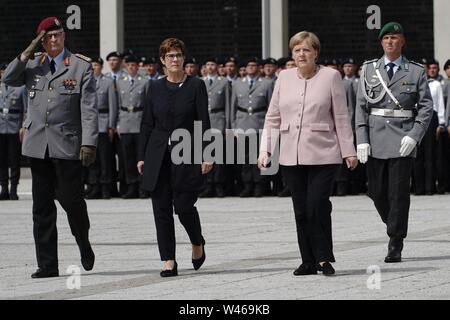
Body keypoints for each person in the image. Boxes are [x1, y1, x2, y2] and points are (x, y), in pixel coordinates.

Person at [2, 17, 98, 278]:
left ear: (64, 36)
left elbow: (88, 109)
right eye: (48, 37)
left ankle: (83, 241)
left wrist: (89, 143)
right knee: (42, 207)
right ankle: (47, 264)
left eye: (57, 35)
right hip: (38, 145)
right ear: (40, 42)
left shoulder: (80, 67)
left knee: (71, 200)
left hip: (67, 144)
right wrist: (25, 53)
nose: (53, 40)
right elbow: (9, 79)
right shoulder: (33, 65)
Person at [258, 31, 357, 276]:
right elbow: (272, 117)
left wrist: (349, 151)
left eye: (306, 50)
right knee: (301, 209)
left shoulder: (331, 76)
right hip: (291, 155)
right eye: (297, 50)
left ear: (316, 53)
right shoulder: (283, 77)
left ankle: (323, 257)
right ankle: (308, 260)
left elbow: (341, 117)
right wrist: (266, 149)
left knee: (317, 205)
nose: (301, 54)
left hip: (324, 153)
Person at [355, 22, 433, 263]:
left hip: (402, 138)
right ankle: (394, 223)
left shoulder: (415, 71)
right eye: (386, 38)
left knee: (399, 194)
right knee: (377, 192)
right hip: (376, 139)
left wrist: (415, 135)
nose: (390, 41)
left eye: (395, 38)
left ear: (403, 41)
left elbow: (426, 107)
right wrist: (361, 139)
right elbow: (360, 107)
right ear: (381, 42)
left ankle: (395, 240)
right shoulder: (368, 69)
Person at [137, 38, 212, 277]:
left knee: (183, 206)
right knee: (161, 209)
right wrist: (141, 156)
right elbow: (147, 123)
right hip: (157, 155)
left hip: (187, 153)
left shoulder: (196, 86)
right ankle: (168, 260)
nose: (175, 60)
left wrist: (207, 153)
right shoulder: (154, 87)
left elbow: (203, 121)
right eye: (170, 56)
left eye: (178, 55)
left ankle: (197, 241)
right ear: (162, 60)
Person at [230, 57, 274, 197]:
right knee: (244, 158)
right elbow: (233, 106)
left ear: (258, 68)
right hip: (242, 124)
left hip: (259, 122)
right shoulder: (237, 84)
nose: (250, 68)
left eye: (254, 65)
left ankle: (259, 185)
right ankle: (247, 185)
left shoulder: (266, 83)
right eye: (248, 65)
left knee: (258, 157)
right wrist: (233, 126)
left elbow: (271, 107)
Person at [85, 57, 118, 199]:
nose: (94, 68)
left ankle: (105, 187)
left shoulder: (107, 82)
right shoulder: (85, 81)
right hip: (89, 125)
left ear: (101, 67)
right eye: (92, 66)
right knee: (92, 159)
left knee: (105, 158)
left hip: (103, 123)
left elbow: (113, 105)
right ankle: (94, 186)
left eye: (96, 65)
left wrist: (111, 125)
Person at [117, 55, 149, 199]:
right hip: (125, 122)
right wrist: (117, 123)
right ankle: (131, 186)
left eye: (133, 65)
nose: (131, 67)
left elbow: (148, 105)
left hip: (140, 120)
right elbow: (117, 104)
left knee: (140, 156)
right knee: (127, 157)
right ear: (126, 67)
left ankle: (143, 186)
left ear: (137, 67)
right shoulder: (120, 82)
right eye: (129, 65)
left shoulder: (144, 82)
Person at [199, 57, 230, 198]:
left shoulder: (223, 82)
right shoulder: (199, 82)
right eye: (208, 64)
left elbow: (228, 105)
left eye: (213, 65)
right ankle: (207, 184)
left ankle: (219, 184)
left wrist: (227, 125)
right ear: (204, 67)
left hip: (218, 119)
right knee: (205, 154)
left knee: (218, 156)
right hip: (204, 120)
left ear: (217, 67)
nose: (210, 67)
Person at [0, 63, 26, 200]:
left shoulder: (20, 88)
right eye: (2, 71)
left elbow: (25, 109)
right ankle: (3, 188)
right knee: (2, 160)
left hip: (14, 127)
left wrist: (23, 126)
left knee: (14, 159)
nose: (4, 73)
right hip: (0, 127)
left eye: (6, 71)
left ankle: (14, 189)